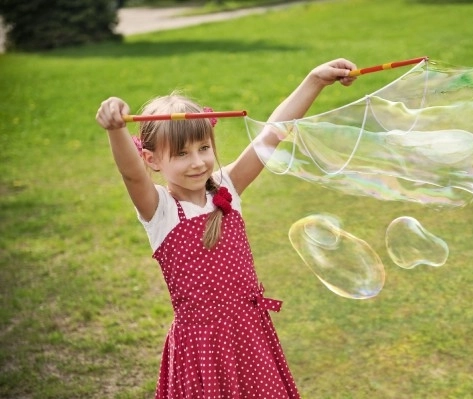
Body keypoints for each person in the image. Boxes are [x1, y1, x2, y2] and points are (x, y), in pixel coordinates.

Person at [95, 58, 357, 399]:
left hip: (249, 333)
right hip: (202, 347)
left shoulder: (225, 188)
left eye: (204, 148)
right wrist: (115, 130)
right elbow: (130, 174)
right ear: (152, 160)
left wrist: (314, 81)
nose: (198, 161)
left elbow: (272, 133)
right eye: (181, 153)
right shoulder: (159, 211)